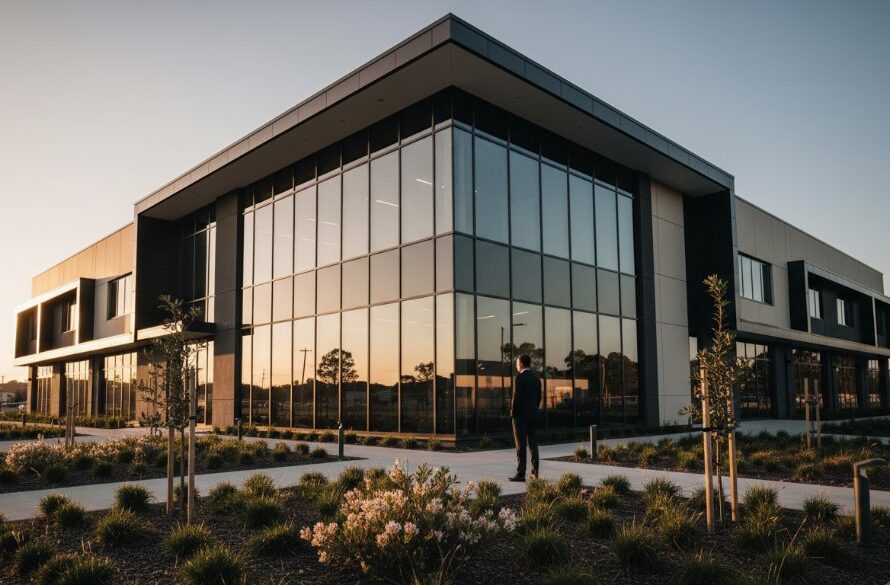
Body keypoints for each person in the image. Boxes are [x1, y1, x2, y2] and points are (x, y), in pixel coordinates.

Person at [508, 354, 541, 482]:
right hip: (533, 415)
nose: (516, 365)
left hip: (520, 416)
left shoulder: (519, 377)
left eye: (517, 362)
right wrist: (534, 409)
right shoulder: (536, 378)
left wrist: (513, 413)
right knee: (533, 444)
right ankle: (535, 474)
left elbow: (516, 397)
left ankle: (521, 474)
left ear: (521, 363)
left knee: (521, 445)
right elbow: (539, 397)